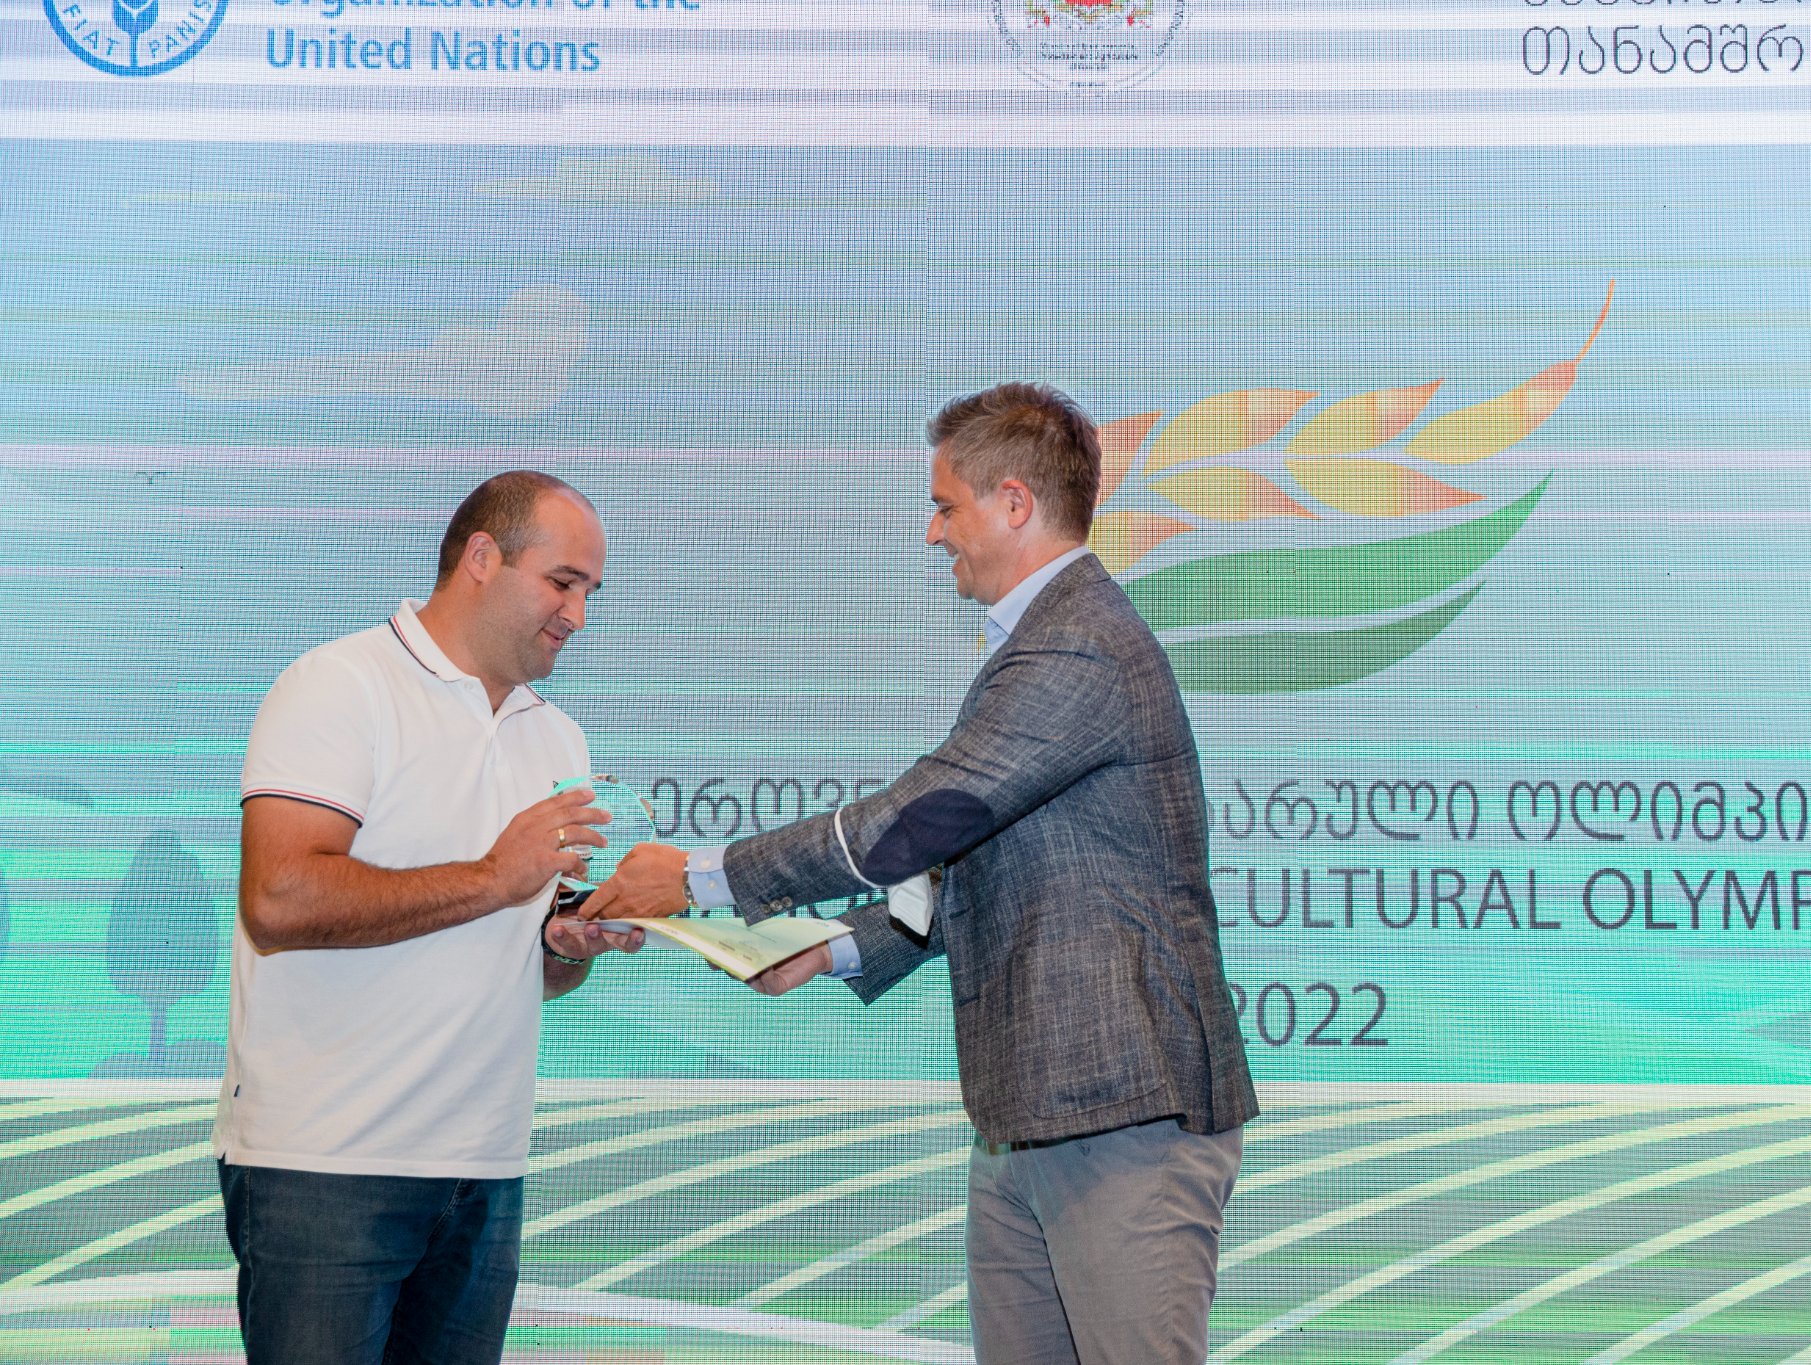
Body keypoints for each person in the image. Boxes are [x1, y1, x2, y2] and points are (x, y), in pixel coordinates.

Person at [584, 383, 1259, 1364]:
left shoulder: (1077, 643)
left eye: (945, 506)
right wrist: (833, 948)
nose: (931, 531)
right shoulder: (1045, 640)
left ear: (1014, 503)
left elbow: (919, 822)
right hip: (1031, 1117)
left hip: (1120, 1111)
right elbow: (979, 864)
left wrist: (698, 876)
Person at [215, 470, 643, 1365]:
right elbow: (278, 899)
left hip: (485, 1169)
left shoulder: (558, 736)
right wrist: (493, 877)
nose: (578, 615)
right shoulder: (339, 685)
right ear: (482, 557)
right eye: (563, 582)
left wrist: (570, 945)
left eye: (590, 593)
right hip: (326, 1162)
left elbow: (533, 968)